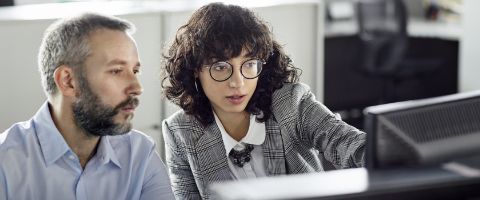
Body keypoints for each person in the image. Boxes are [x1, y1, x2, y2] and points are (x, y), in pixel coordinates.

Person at [161, 2, 366, 199]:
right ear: (195, 70)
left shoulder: (291, 103)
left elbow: (347, 144)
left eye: (249, 64)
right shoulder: (180, 131)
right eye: (221, 67)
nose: (238, 83)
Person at [0, 13, 174, 200]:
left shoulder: (140, 153)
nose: (137, 88)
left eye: (135, 71)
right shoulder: (5, 161)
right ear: (68, 81)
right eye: (116, 71)